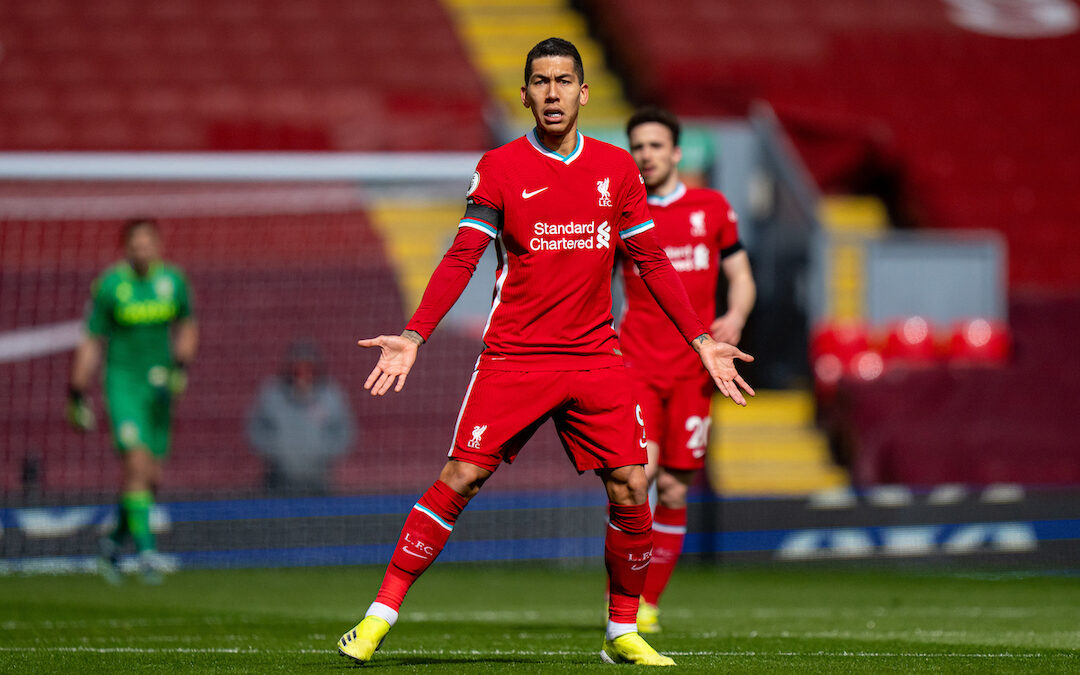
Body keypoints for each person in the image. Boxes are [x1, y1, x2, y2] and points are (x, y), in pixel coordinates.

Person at [337, 38, 754, 667]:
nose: (552, 92)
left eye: (564, 81)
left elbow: (652, 261)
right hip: (515, 356)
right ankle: (378, 616)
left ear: (584, 93)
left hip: (594, 357)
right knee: (462, 476)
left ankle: (623, 632)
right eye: (540, 82)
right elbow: (461, 257)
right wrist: (416, 333)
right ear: (526, 94)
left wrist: (702, 340)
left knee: (631, 485)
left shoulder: (617, 170)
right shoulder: (501, 167)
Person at [618, 107, 756, 633]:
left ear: (676, 153)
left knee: (674, 491)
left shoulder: (711, 207)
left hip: (697, 371)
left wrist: (737, 315)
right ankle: (621, 601)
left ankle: (647, 604)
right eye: (638, 147)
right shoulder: (620, 217)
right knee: (637, 474)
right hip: (636, 365)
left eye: (655, 146)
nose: (646, 155)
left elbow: (741, 274)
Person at [67, 218, 198, 584]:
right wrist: (77, 391)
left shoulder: (172, 281)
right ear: (126, 247)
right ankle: (147, 553)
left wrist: (181, 367)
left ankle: (111, 545)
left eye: (147, 243)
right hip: (123, 385)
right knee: (137, 463)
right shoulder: (111, 285)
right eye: (135, 244)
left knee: (150, 477)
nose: (141, 249)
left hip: (159, 389)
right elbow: (91, 339)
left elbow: (187, 325)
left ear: (157, 245)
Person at [247, 339, 355, 494]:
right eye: (297, 369)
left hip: (318, 478)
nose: (303, 374)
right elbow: (255, 429)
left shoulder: (330, 396)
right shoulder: (272, 395)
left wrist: (321, 452)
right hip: (278, 478)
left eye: (308, 368)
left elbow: (345, 432)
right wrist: (278, 451)